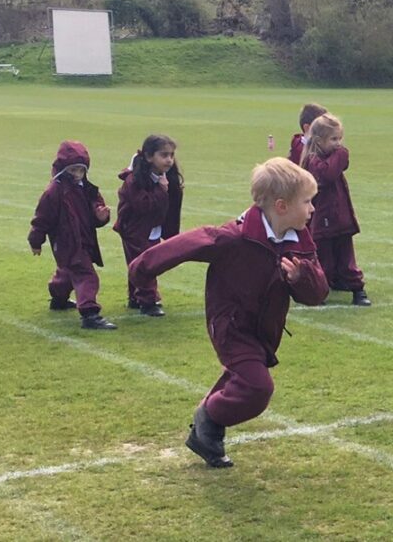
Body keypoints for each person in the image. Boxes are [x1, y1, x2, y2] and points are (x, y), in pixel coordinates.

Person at [128, 158, 329, 468]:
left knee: (244, 380)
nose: (313, 208)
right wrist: (142, 270)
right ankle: (208, 418)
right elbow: (185, 245)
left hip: (265, 330)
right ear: (282, 206)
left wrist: (301, 277)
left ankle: (207, 433)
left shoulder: (299, 241)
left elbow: (318, 294)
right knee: (257, 388)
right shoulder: (234, 238)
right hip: (231, 326)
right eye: (307, 201)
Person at [29, 141, 117, 330]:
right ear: (63, 169)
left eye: (80, 170)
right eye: (73, 170)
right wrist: (36, 240)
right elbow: (41, 219)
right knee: (85, 274)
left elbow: (95, 208)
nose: (77, 174)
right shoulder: (54, 192)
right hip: (66, 242)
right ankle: (89, 312)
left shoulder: (87, 189)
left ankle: (58, 297)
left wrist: (101, 215)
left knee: (69, 270)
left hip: (84, 238)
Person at [300, 114, 371, 306]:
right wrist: (340, 154)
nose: (338, 144)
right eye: (333, 139)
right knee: (324, 259)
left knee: (346, 257)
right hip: (323, 217)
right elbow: (328, 174)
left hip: (341, 217)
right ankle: (319, 290)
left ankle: (357, 288)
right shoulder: (313, 160)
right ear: (318, 141)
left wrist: (339, 153)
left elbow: (341, 165)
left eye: (339, 139)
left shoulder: (334, 156)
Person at [115, 134, 184, 317]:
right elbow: (143, 205)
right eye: (164, 155)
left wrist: (171, 233)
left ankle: (135, 298)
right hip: (134, 229)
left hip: (152, 228)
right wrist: (162, 190)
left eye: (171, 155)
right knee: (146, 264)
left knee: (138, 263)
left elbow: (172, 207)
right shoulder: (134, 180)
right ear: (148, 157)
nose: (169, 160)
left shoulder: (168, 177)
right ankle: (148, 301)